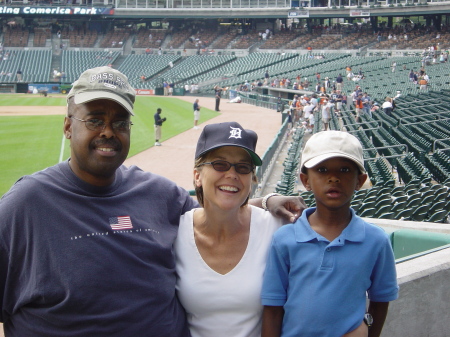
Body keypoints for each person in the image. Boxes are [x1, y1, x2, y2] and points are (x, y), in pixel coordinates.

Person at [0, 66, 305, 336]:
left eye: (120, 122)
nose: (108, 131)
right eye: (94, 119)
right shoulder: (24, 205)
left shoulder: (158, 194)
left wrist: (267, 201)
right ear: (69, 126)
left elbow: (215, 213)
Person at [261, 131, 399, 337]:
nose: (333, 178)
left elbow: (380, 300)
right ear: (305, 180)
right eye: (322, 169)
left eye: (344, 169)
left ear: (359, 181)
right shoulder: (285, 239)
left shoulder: (376, 241)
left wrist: (368, 330)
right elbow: (273, 307)